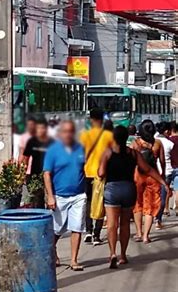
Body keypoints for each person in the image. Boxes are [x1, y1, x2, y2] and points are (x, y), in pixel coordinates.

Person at [98, 126, 168, 269]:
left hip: (112, 190)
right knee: (124, 224)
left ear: (114, 138)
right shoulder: (134, 154)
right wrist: (163, 183)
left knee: (112, 225)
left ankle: (112, 253)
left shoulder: (107, 153)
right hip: (129, 189)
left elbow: (100, 173)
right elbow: (147, 169)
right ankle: (123, 255)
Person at [43, 120, 87, 271]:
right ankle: (52, 252)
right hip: (59, 196)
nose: (68, 134)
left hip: (79, 195)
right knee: (56, 229)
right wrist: (50, 196)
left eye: (71, 131)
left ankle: (74, 260)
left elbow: (85, 168)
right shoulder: (53, 151)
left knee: (77, 228)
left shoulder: (81, 149)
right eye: (65, 131)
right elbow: (46, 174)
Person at [80, 108, 114, 245]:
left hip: (87, 172)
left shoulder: (84, 135)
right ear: (102, 119)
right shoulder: (108, 136)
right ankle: (97, 235)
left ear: (90, 119)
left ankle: (88, 230)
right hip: (102, 174)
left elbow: (80, 155)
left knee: (88, 202)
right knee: (100, 203)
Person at [131, 120, 165, 244]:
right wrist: (163, 175)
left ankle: (139, 232)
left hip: (138, 175)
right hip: (153, 176)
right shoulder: (157, 143)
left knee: (137, 204)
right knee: (150, 206)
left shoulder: (135, 144)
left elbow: (131, 161)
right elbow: (162, 162)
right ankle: (146, 236)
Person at [21, 116, 54, 208]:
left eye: (43, 128)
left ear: (46, 129)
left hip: (49, 175)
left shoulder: (51, 142)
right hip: (35, 175)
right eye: (38, 128)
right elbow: (26, 158)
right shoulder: (32, 142)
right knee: (36, 200)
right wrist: (24, 173)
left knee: (50, 200)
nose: (41, 130)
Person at [155, 121, 174, 228]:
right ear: (166, 131)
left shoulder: (153, 140)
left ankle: (150, 215)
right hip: (166, 172)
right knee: (162, 197)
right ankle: (158, 219)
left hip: (153, 172)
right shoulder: (170, 144)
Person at [169, 122, 178, 212]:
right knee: (177, 188)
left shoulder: (169, 140)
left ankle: (166, 208)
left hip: (170, 167)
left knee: (167, 188)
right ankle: (176, 205)